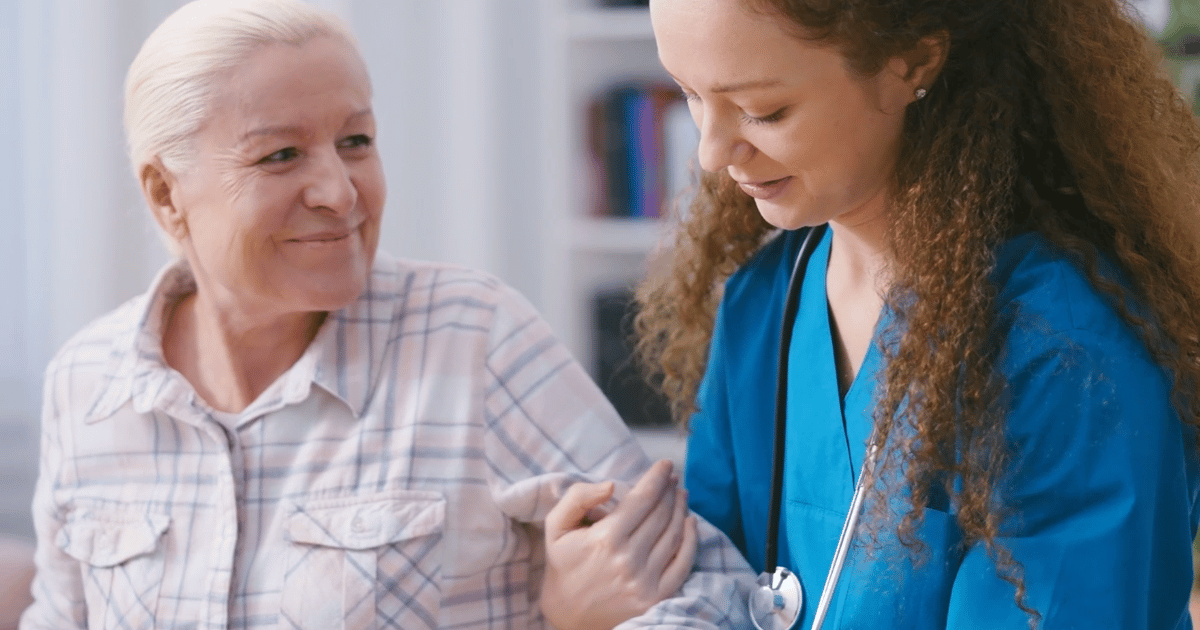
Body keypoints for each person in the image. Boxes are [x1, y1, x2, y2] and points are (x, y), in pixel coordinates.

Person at [19, 1, 755, 628]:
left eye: (355, 142)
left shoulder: (472, 338)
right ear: (165, 193)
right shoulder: (85, 384)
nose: (340, 192)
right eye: (280, 156)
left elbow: (710, 594)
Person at [628, 0, 1200, 627]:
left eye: (764, 110)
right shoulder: (763, 305)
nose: (711, 154)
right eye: (689, 95)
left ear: (911, 60)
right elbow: (709, 583)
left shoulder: (1066, 352)